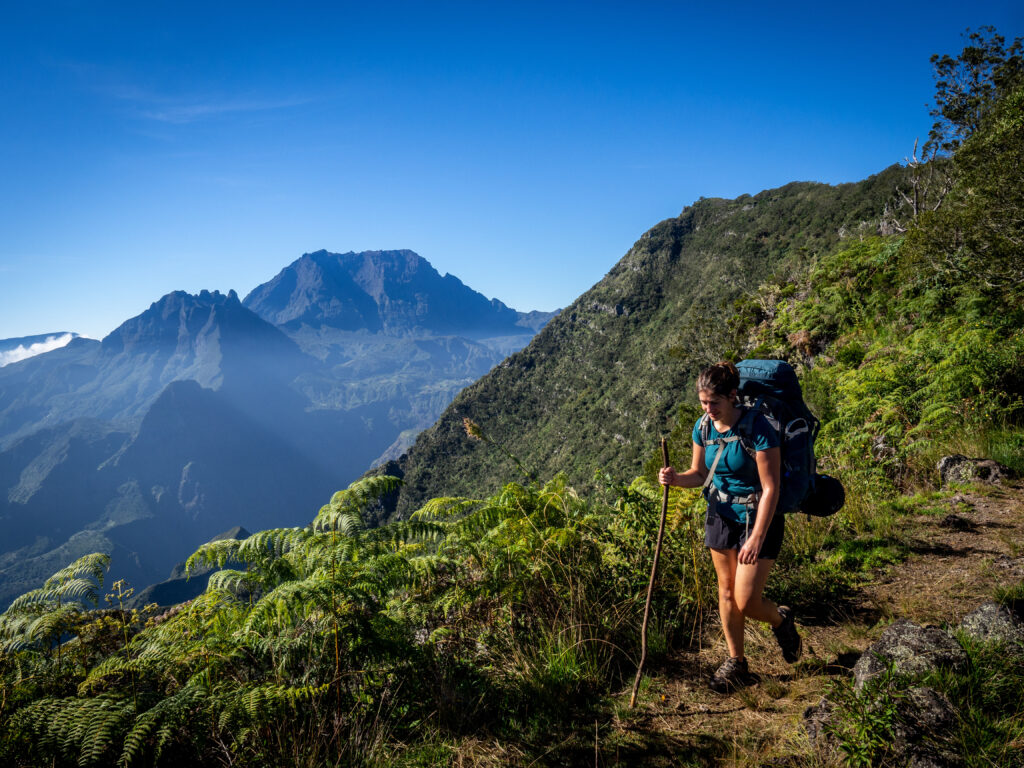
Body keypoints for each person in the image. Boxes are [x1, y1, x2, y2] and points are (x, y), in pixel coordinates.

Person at [659, 361, 801, 692]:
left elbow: (771, 488)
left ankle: (781, 620)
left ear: (733, 396)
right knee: (726, 592)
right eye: (703, 402)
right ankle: (737, 663)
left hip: (757, 519)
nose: (708, 410)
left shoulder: (759, 429)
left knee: (748, 601)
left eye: (714, 403)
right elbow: (698, 474)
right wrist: (675, 479)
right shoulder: (703, 427)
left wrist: (756, 537)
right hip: (720, 514)